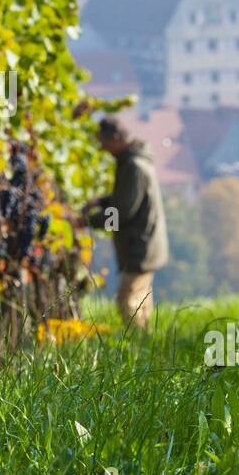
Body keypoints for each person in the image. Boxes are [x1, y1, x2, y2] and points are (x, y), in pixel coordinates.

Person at [85, 117, 169, 328]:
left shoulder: (133, 167)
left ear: (115, 138)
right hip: (144, 244)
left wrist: (88, 221)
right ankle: (145, 347)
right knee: (141, 302)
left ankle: (137, 349)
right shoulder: (133, 162)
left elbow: (122, 212)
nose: (103, 149)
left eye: (104, 144)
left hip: (139, 247)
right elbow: (126, 198)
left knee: (127, 301)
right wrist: (101, 201)